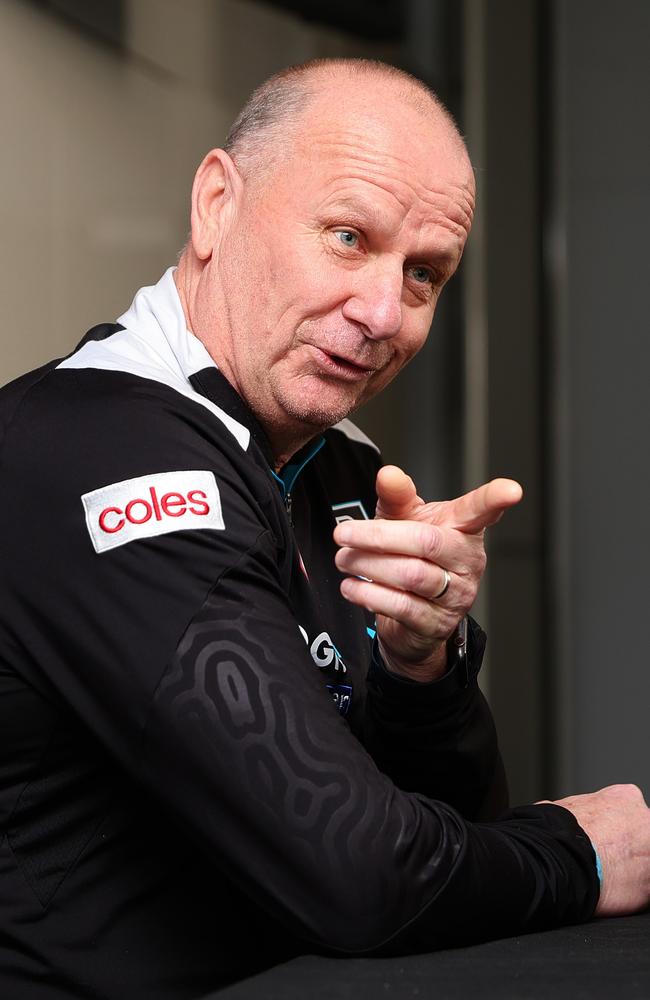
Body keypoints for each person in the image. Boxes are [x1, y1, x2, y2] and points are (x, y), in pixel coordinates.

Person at [0, 58, 647, 1000]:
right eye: (348, 237)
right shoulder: (96, 449)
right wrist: (582, 854)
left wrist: (422, 671)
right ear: (217, 204)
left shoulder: (339, 463)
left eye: (423, 274)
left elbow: (452, 848)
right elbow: (362, 873)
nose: (384, 314)